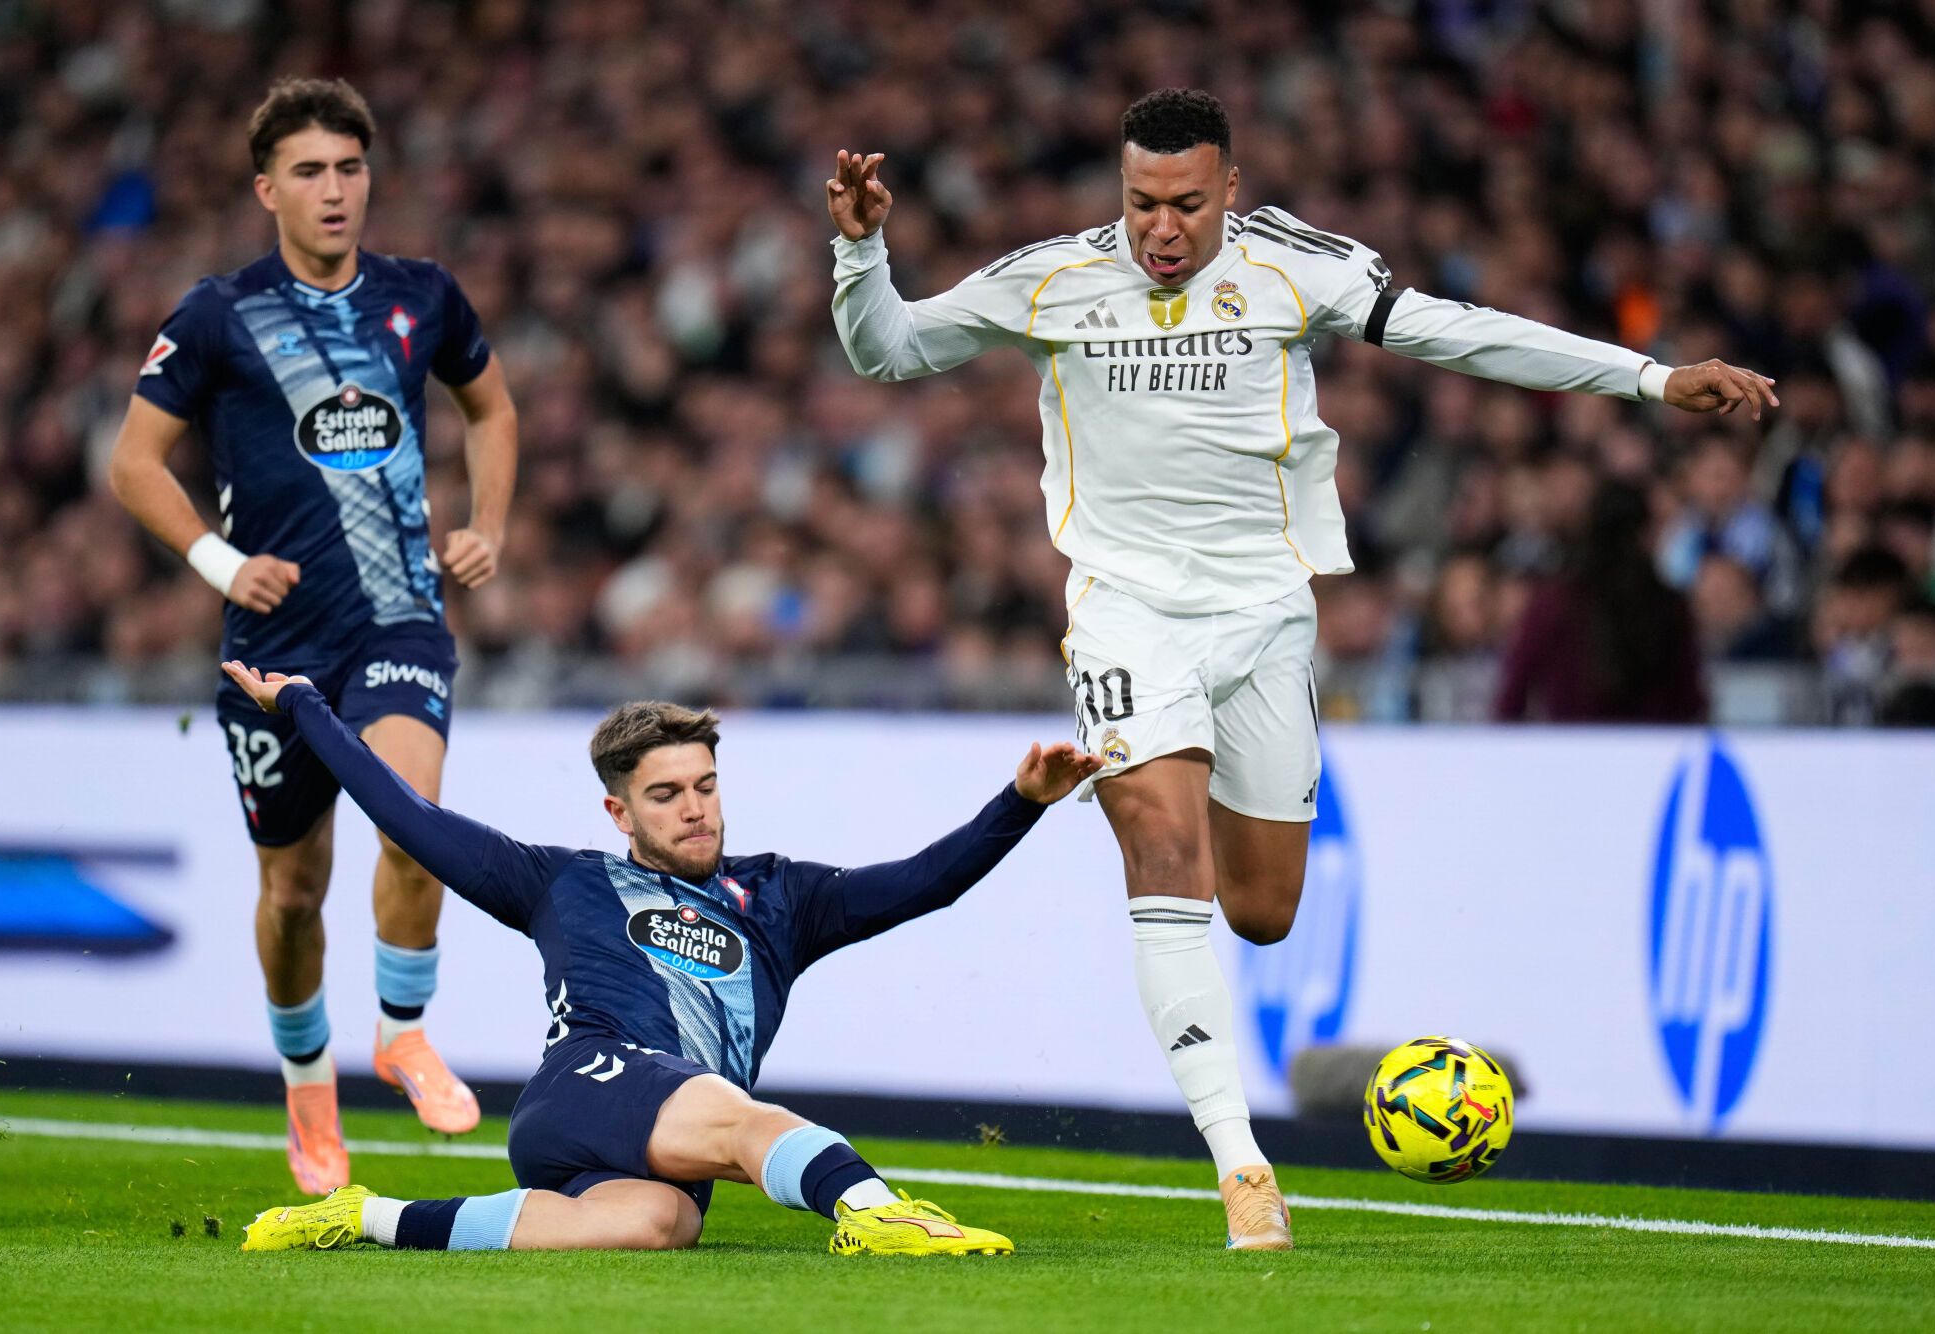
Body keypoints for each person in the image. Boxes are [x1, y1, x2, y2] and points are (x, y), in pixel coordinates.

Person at [824, 87, 1777, 1250]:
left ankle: (1182, 866)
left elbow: (1458, 328)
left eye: (1183, 203)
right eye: (1137, 203)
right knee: (1161, 851)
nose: (1159, 229)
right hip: (1123, 612)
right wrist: (861, 247)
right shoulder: (1052, 278)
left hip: (1266, 617)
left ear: (1229, 188)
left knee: (1263, 910)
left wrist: (1648, 376)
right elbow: (887, 350)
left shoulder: (1292, 270)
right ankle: (1241, 1167)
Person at [220, 660, 1100, 1255]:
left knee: (658, 1221)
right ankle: (878, 1215)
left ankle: (366, 1217)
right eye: (667, 795)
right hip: (586, 1083)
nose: (695, 810)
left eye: (706, 787)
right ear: (619, 813)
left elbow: (924, 882)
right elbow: (407, 815)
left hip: (653, 1143)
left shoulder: (786, 899)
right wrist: (303, 706)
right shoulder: (557, 881)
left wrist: (1020, 803)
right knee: (738, 1113)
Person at [106, 78, 519, 1193]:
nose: (333, 191)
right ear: (265, 189)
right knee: (293, 889)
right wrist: (220, 562)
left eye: (349, 168)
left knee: (417, 821)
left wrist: (485, 525)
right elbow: (133, 463)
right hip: (271, 645)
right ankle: (306, 1086)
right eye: (308, 172)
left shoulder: (423, 296)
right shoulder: (216, 313)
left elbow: (491, 406)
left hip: (399, 620)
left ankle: (402, 1026)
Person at [1495, 481, 1707, 722]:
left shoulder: (1553, 604)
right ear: (1645, 534)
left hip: (1570, 750)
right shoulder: (1671, 606)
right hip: (1650, 752)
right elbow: (1692, 704)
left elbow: (1511, 698)